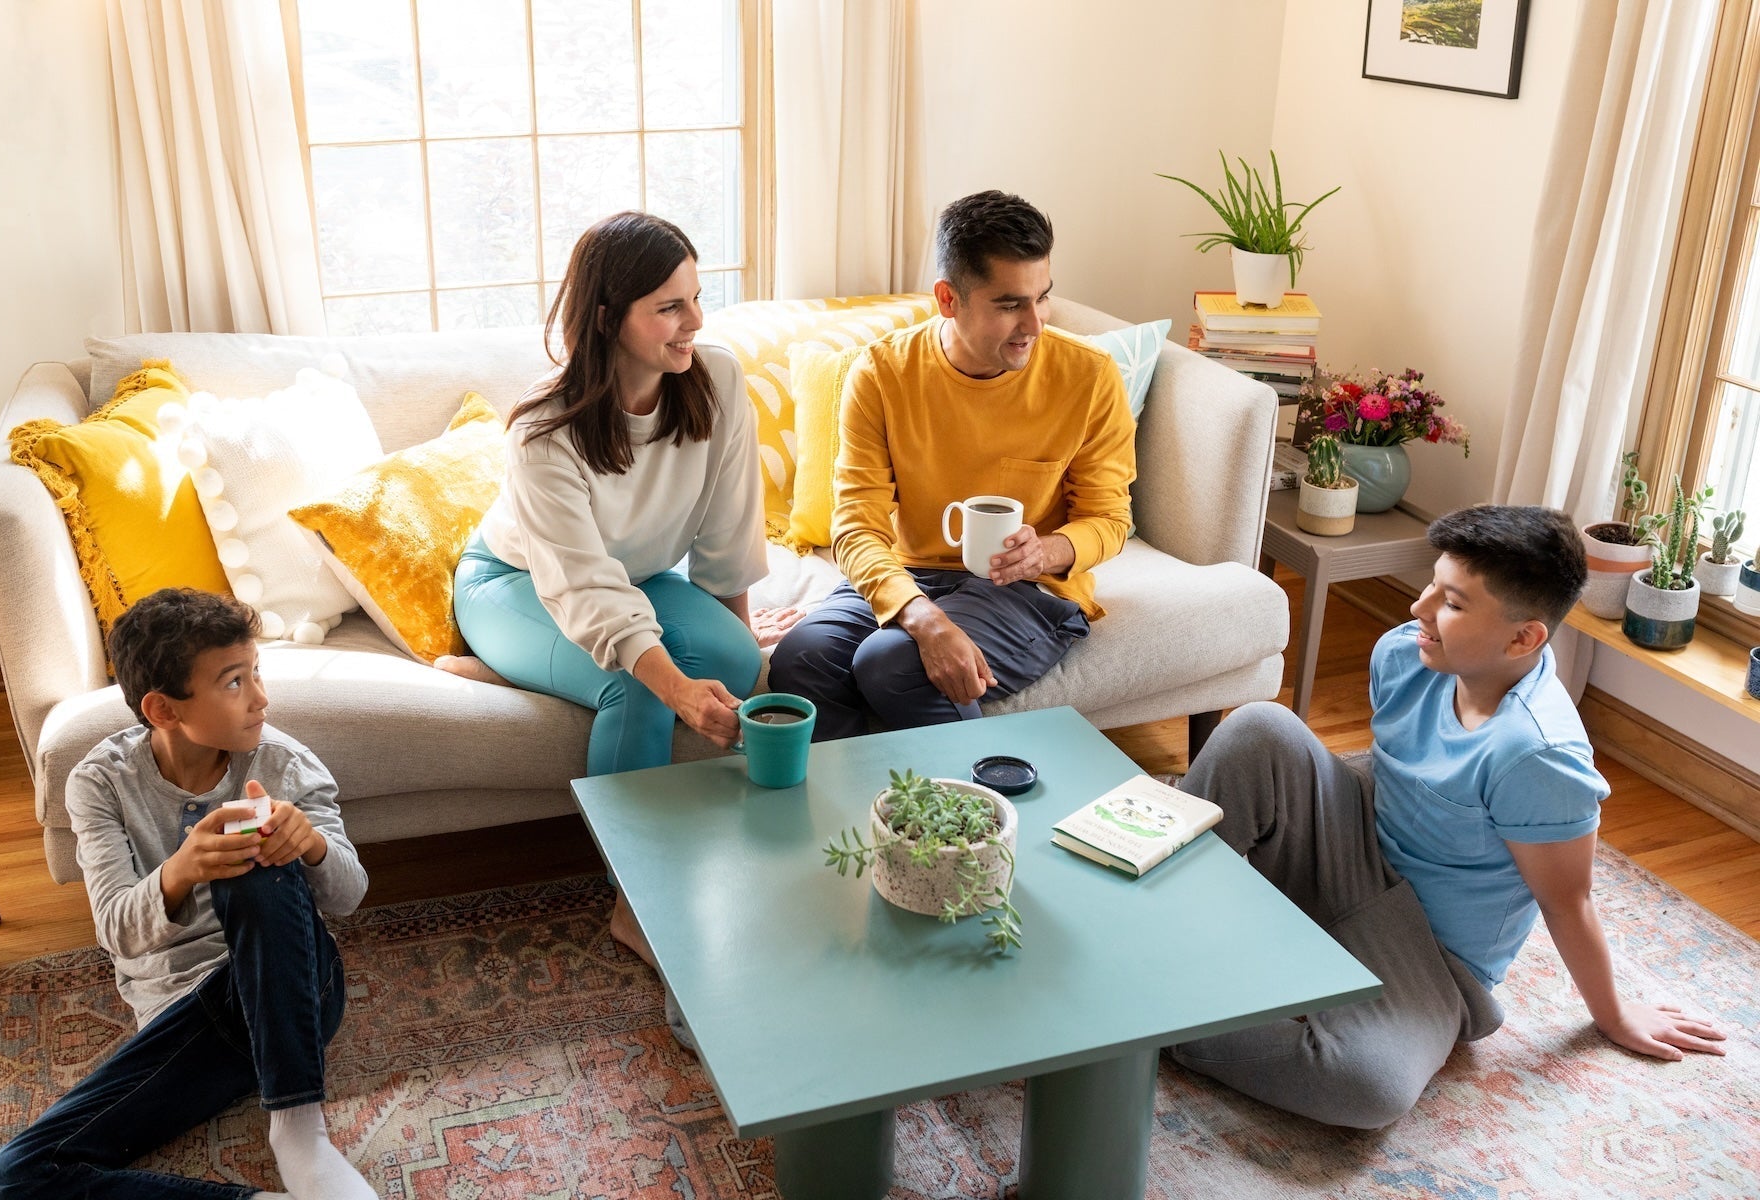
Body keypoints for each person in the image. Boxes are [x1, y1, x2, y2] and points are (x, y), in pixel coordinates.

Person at [1167, 505, 1725, 1129]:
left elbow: (1570, 902)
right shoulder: (1406, 655)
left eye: (1453, 603)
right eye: (1432, 584)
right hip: (1351, 856)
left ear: (1524, 638)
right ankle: (1147, 914)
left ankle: (1167, 1020)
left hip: (1428, 955)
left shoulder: (1540, 758)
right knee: (1259, 727)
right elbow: (1387, 769)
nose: (1419, 609)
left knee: (1367, 1087)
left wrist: (1615, 1014)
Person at [434, 211, 796, 1008]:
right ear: (608, 317)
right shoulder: (544, 427)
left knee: (736, 660)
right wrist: (669, 682)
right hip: (517, 583)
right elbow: (587, 590)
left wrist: (742, 649)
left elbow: (730, 535)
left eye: (696, 298)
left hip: (630, 580)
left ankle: (527, 674)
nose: (694, 321)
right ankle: (634, 902)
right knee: (636, 680)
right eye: (669, 307)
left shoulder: (718, 379)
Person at [0, 588, 373, 1199]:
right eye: (235, 682)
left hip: (298, 996)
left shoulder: (286, 764)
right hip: (187, 1020)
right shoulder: (100, 784)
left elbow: (348, 895)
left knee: (258, 858)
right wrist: (181, 869)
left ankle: (298, 1129)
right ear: (163, 709)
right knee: (11, 1180)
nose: (262, 698)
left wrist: (311, 846)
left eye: (256, 673)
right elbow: (116, 929)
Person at [769, 190, 1135, 738]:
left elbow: (1110, 519)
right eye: (1010, 304)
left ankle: (980, 814)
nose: (1033, 324)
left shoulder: (1088, 375)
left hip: (1030, 591)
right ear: (948, 298)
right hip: (910, 573)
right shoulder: (882, 375)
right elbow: (856, 526)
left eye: (1043, 298)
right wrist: (921, 616)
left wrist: (1047, 551)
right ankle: (852, 819)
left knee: (890, 663)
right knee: (800, 660)